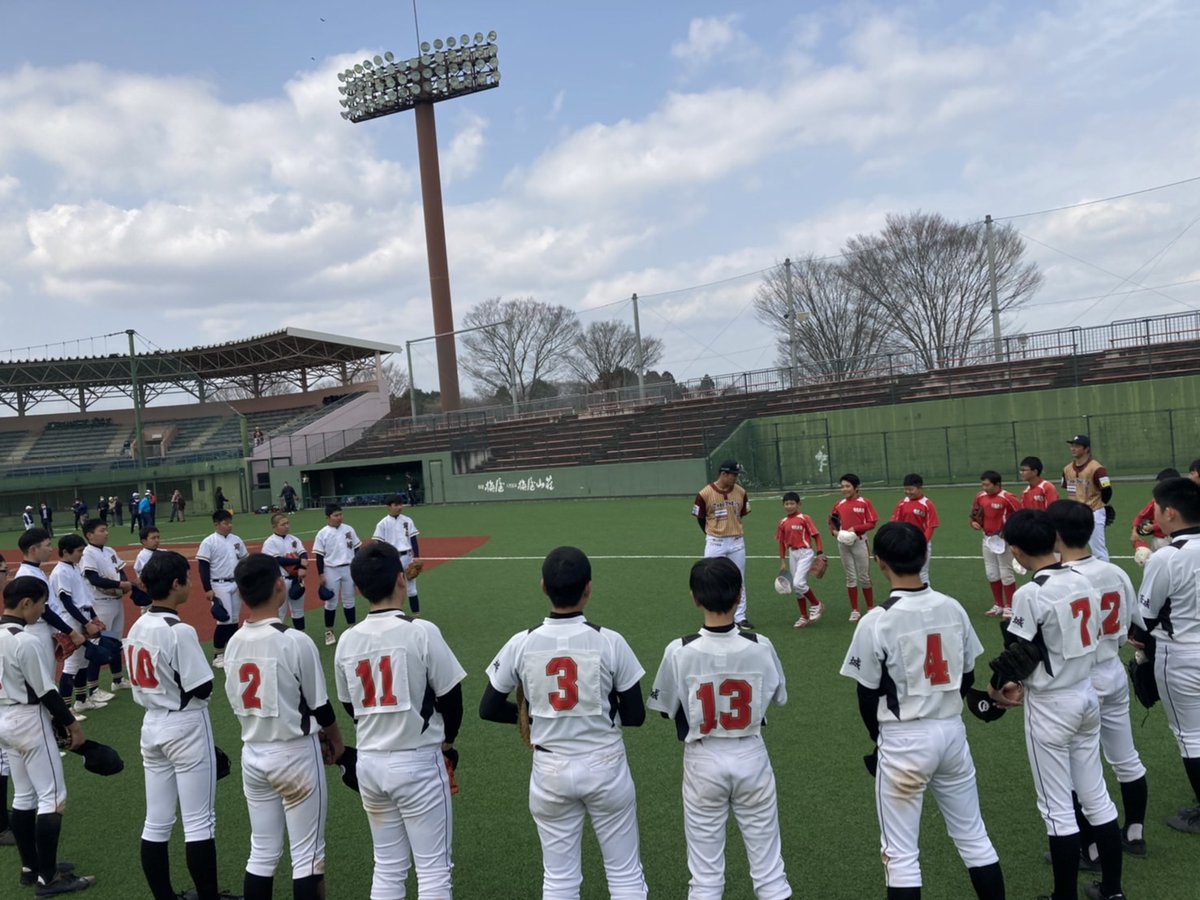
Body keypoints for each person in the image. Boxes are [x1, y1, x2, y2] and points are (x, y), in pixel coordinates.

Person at [840, 523, 1005, 900]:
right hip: (951, 731)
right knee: (974, 837)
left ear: (880, 563)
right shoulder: (952, 606)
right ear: (924, 556)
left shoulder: (876, 619)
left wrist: (878, 739)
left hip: (903, 739)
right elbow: (967, 676)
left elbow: (866, 695)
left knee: (900, 856)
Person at [479, 546, 649, 899]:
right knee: (624, 874)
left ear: (543, 587)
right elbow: (635, 716)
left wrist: (530, 718)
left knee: (559, 879)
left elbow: (488, 707)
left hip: (550, 768)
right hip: (605, 764)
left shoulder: (522, 642)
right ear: (589, 588)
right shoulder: (610, 641)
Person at [988, 509, 1125, 900]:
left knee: (1057, 808)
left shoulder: (1030, 593)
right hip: (1086, 693)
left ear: (1016, 550)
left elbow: (1019, 652)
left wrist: (997, 688)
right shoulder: (1084, 579)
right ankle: (1112, 890)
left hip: (1051, 703)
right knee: (1096, 796)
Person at [647, 557, 791, 899]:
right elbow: (779, 697)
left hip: (703, 757)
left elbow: (665, 710)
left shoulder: (679, 650)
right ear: (739, 595)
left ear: (695, 598)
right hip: (751, 752)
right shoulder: (760, 644)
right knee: (770, 873)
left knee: (705, 877)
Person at [338, 541, 466, 899]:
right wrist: (448, 741)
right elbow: (451, 697)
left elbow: (349, 705)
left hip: (370, 763)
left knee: (388, 867)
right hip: (418, 762)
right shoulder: (421, 630)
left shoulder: (347, 640)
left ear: (358, 589)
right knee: (434, 871)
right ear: (401, 578)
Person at [227, 553, 343, 900]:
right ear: (280, 585)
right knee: (307, 857)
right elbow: (321, 706)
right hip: (294, 754)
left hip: (253, 752)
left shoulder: (233, 642)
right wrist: (336, 742)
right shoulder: (294, 640)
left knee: (262, 853)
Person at [126, 551, 230, 900]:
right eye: (187, 577)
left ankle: (164, 897)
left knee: (156, 821)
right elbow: (202, 687)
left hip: (151, 724)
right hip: (185, 723)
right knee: (199, 822)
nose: (190, 583)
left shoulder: (137, 625)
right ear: (175, 584)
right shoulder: (179, 630)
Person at [1048, 499, 1149, 860]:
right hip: (1112, 670)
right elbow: (1137, 624)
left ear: (1056, 534)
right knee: (1126, 757)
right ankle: (1134, 834)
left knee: (1078, 768)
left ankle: (1089, 849)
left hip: (1078, 681)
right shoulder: (1114, 571)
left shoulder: (1057, 580)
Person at [0, 575, 97, 895]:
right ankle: (49, 878)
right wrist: (72, 725)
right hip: (29, 719)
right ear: (26, 603)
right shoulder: (24, 640)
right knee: (52, 797)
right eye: (41, 604)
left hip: (4, 720)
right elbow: (46, 692)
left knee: (23, 796)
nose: (43, 610)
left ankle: (31, 868)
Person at [1135, 476, 1200, 835]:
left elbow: (1144, 616)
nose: (1154, 514)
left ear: (1171, 513)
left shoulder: (1167, 556)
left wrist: (1139, 643)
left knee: (1191, 736)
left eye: (1157, 508)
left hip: (1182, 654)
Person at [49, 534, 115, 716]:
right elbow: (67, 603)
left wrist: (93, 618)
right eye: (79, 551)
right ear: (65, 552)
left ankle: (81, 701)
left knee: (83, 661)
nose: (81, 555)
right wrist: (86, 623)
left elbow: (84, 598)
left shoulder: (74, 567)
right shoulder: (60, 572)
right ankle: (66, 709)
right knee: (72, 664)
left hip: (82, 615)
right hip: (71, 619)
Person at [692, 459, 754, 629]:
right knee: (711, 578)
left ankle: (740, 617)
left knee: (739, 578)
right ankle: (712, 614)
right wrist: (711, 533)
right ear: (723, 474)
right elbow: (700, 518)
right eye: (734, 475)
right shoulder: (704, 494)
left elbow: (742, 513)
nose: (736, 478)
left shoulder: (741, 492)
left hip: (736, 541)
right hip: (715, 541)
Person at [80, 519, 132, 692]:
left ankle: (117, 680)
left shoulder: (110, 550)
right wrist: (119, 585)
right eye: (102, 530)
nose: (106, 533)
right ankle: (93, 688)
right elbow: (93, 579)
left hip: (116, 602)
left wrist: (123, 584)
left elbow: (121, 572)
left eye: (106, 529)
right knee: (98, 643)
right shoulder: (87, 553)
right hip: (100, 604)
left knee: (115, 641)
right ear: (89, 535)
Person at [195, 509, 248, 669]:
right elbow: (203, 567)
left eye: (230, 522)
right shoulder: (209, 542)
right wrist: (207, 588)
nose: (229, 525)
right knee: (224, 619)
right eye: (225, 523)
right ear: (216, 524)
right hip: (218, 584)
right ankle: (218, 655)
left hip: (235, 583)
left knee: (234, 619)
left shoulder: (236, 540)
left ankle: (232, 652)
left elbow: (244, 560)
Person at [970, 471, 1021, 618]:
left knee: (1006, 574)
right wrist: (973, 522)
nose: (984, 487)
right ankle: (998, 605)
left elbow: (1021, 515)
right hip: (987, 539)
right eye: (983, 484)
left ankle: (1010, 606)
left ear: (997, 484)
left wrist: (1010, 532)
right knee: (991, 573)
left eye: (987, 485)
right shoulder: (980, 496)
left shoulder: (1008, 498)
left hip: (1004, 540)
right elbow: (974, 514)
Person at [829, 472, 879, 621]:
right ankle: (855, 610)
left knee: (864, 576)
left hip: (859, 541)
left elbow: (872, 523)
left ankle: (870, 608)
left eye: (847, 486)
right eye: (842, 486)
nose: (844, 489)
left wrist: (855, 529)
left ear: (856, 487)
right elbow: (832, 521)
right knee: (850, 577)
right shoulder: (839, 504)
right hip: (843, 543)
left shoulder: (864, 503)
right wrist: (835, 533)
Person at [775, 491, 825, 627]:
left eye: (792, 503)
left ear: (798, 504)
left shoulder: (804, 518)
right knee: (797, 588)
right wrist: (782, 561)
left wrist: (820, 552)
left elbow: (816, 535)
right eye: (786, 504)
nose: (789, 506)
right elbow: (781, 543)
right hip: (793, 553)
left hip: (805, 553)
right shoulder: (782, 522)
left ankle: (816, 604)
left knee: (798, 583)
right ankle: (804, 616)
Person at [313, 504, 361, 646]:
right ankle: (329, 631)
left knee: (349, 600)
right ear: (328, 517)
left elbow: (357, 549)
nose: (339, 517)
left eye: (340, 514)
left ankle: (352, 629)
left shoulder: (349, 529)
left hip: (348, 568)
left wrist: (357, 568)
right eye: (336, 515)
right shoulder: (323, 533)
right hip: (331, 569)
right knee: (331, 602)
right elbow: (319, 556)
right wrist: (321, 574)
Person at [1062, 434, 1114, 562]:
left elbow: (1107, 490)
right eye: (1072, 446)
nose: (1073, 448)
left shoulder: (1098, 469)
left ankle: (1104, 573)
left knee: (1098, 550)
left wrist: (1100, 506)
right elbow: (1069, 490)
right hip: (1074, 514)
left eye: (1077, 446)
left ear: (1086, 449)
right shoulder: (1067, 469)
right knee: (1073, 548)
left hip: (1093, 512)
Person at [372, 494, 423, 616]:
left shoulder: (407, 520)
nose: (400, 507)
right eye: (396, 505)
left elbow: (413, 539)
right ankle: (395, 615)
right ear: (389, 507)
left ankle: (416, 615)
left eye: (401, 504)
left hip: (408, 557)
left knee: (412, 589)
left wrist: (416, 557)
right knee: (394, 589)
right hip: (392, 559)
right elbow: (378, 543)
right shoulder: (382, 524)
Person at [261, 513, 309, 630]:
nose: (287, 526)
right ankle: (277, 637)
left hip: (296, 579)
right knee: (280, 612)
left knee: (298, 611)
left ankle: (301, 635)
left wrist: (302, 568)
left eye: (287, 523)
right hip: (280, 581)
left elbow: (303, 553)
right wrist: (299, 561)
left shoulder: (294, 539)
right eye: (283, 524)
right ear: (274, 526)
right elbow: (278, 560)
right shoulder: (270, 542)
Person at [890, 473, 939, 585]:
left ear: (920, 488)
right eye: (905, 489)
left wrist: (921, 543)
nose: (908, 492)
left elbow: (931, 526)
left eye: (911, 489)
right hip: (905, 542)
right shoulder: (902, 503)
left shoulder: (927, 504)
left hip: (921, 544)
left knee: (922, 573)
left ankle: (925, 594)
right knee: (905, 571)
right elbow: (895, 523)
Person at [1129, 468, 1179, 567]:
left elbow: (1173, 521)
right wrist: (1134, 532)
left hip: (1177, 539)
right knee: (1156, 565)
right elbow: (1140, 516)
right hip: (1160, 541)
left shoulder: (1182, 500)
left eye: (1161, 483)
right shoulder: (1156, 501)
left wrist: (1153, 527)